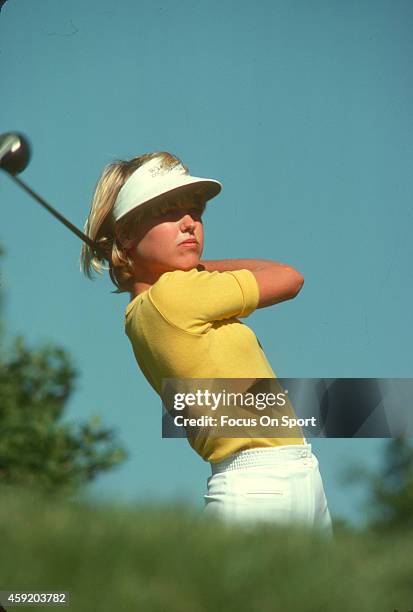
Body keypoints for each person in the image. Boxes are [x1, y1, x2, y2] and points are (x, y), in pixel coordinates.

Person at [80, 151, 333, 538]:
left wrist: (163, 265)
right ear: (126, 234)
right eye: (168, 210)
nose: (189, 223)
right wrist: (199, 268)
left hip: (287, 473)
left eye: (195, 211)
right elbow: (288, 277)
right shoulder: (175, 295)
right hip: (260, 485)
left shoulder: (142, 312)